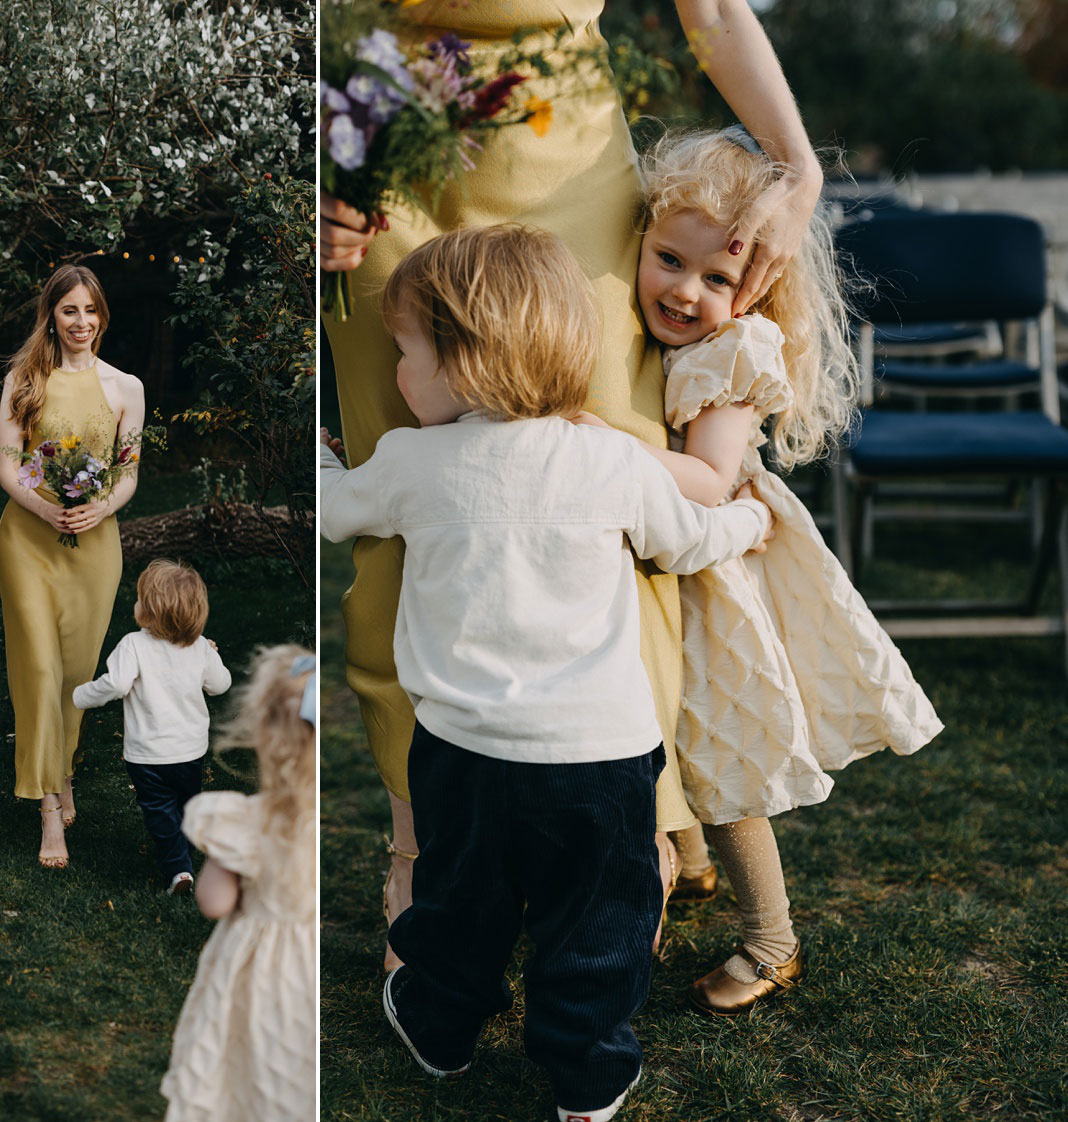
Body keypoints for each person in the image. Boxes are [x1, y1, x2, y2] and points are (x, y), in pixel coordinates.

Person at [321, 0, 826, 971]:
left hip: (567, 147)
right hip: (378, 144)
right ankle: (421, 849)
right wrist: (311, 170)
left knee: (613, 473)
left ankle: (637, 822)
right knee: (402, 505)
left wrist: (796, 165)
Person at [320, 226, 773, 1122]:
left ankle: (441, 1026)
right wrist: (750, 525)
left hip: (462, 757)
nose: (397, 377)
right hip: (601, 757)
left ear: (464, 359)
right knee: (597, 923)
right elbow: (685, 539)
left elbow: (336, 511)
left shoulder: (411, 462)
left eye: (407, 353)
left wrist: (328, 456)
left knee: (460, 906)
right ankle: (587, 1074)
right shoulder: (604, 457)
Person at [572, 127, 942, 1013]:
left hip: (718, 570)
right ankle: (689, 864)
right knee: (660, 717)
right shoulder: (650, 332)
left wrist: (592, 444)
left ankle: (772, 941)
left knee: (717, 747)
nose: (686, 292)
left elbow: (704, 478)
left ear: (758, 284)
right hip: (674, 556)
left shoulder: (730, 356)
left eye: (718, 279)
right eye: (669, 260)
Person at [0, 265, 145, 868]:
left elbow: (129, 471)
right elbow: (9, 467)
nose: (80, 323)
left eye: (90, 312)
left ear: (102, 316)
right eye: (68, 312)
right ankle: (49, 812)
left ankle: (62, 771)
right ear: (51, 317)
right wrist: (47, 507)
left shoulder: (126, 387)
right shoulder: (24, 380)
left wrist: (97, 508)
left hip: (95, 546)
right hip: (28, 541)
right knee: (36, 667)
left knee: (74, 676)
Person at [159, 644, 317, 1122]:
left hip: (261, 974)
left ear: (264, 737)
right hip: (308, 971)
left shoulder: (248, 822)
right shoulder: (321, 826)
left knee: (247, 1069)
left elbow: (214, 901)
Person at [72, 559, 232, 892]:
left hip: (148, 756)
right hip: (189, 751)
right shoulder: (200, 646)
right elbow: (221, 685)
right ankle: (184, 854)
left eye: (140, 598)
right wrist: (211, 654)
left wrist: (80, 696)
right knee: (186, 803)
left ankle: (179, 869)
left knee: (160, 811)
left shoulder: (133, 645)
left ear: (150, 611)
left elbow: (115, 685)